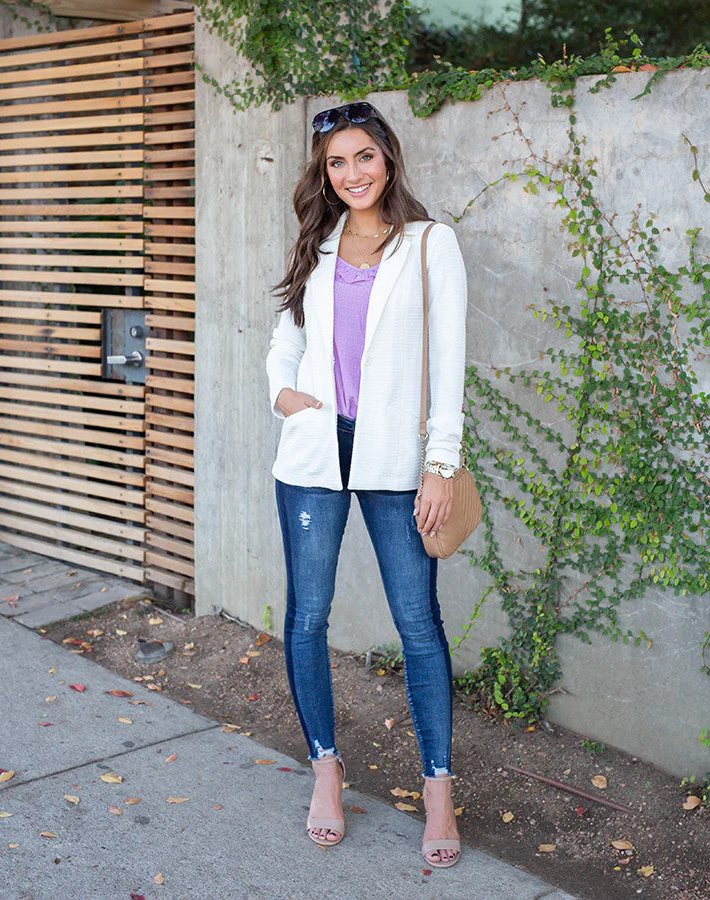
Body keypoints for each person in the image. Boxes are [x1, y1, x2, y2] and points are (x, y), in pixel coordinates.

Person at [266, 101, 468, 869]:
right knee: (306, 618)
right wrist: (282, 393)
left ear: (388, 157)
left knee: (418, 623)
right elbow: (287, 338)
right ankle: (326, 768)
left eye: (364, 157)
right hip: (315, 453)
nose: (352, 174)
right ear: (324, 173)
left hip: (396, 461)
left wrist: (440, 465)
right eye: (336, 163)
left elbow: (448, 362)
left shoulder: (429, 245)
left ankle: (439, 787)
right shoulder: (316, 244)